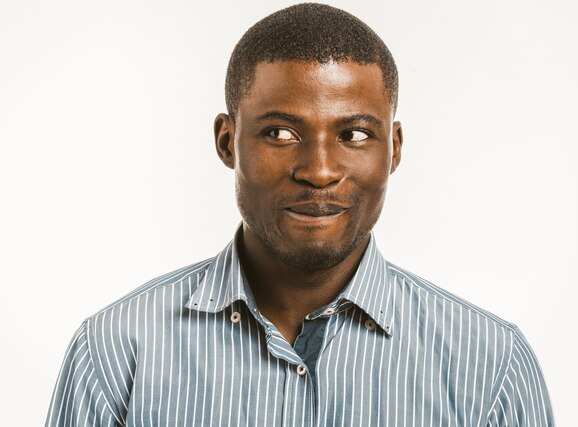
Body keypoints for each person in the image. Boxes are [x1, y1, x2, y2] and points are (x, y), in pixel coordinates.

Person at [45, 3, 553, 426]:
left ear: (394, 149)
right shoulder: (116, 352)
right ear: (227, 141)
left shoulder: (490, 367)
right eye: (280, 133)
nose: (319, 171)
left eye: (354, 134)